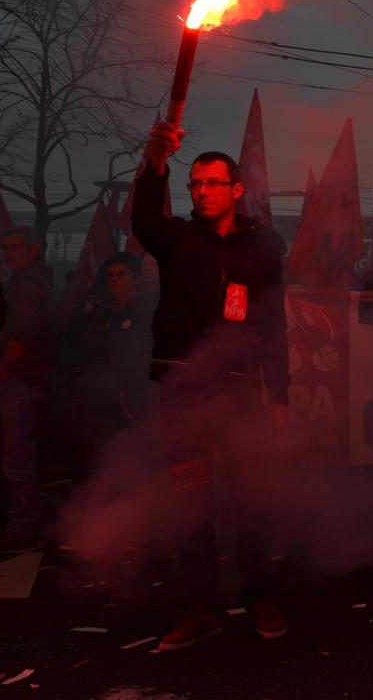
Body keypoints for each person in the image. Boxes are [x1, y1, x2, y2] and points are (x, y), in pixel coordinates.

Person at [133, 120, 290, 650]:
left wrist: (279, 394)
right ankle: (201, 608)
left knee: (251, 499)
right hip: (184, 392)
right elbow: (143, 220)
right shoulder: (177, 239)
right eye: (195, 184)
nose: (201, 192)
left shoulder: (262, 246)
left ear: (236, 189)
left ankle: (260, 595)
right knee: (191, 500)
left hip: (241, 390)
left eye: (213, 183)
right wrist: (156, 163)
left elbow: (273, 323)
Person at [0, 227, 57, 553]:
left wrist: (4, 368)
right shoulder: (29, 282)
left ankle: (23, 524)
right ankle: (14, 516)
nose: (9, 253)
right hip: (22, 379)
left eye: (15, 247)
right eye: (6, 247)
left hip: (20, 380)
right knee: (5, 453)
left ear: (33, 250)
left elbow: (22, 332)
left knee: (16, 456)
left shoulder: (27, 284)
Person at [67, 252, 155, 480]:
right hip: (96, 403)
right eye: (111, 275)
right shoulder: (102, 313)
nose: (114, 279)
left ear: (136, 279)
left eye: (121, 274)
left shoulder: (146, 313)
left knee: (128, 464)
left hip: (127, 406)